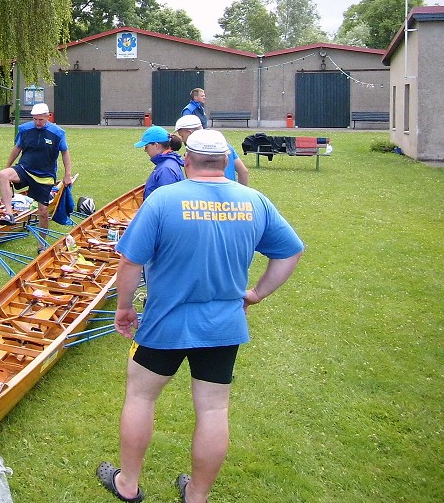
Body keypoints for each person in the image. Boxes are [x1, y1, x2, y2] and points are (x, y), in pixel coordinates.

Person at [97, 129, 304, 503]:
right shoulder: (254, 201)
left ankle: (128, 484)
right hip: (223, 325)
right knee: (213, 408)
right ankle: (196, 495)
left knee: (141, 397)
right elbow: (290, 251)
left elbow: (130, 260)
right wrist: (256, 294)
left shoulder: (163, 201)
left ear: (186, 160)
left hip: (164, 322)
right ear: (225, 161)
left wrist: (124, 306)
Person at [0, 102, 73, 230]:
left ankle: (42, 241)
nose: (37, 122)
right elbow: (17, 148)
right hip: (25, 169)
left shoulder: (58, 133)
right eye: (35, 119)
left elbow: (65, 153)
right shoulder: (24, 129)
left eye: (41, 120)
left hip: (45, 176)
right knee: (3, 174)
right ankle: (9, 214)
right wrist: (7, 166)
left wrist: (67, 175)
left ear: (48, 116)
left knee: (43, 212)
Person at [174, 115, 248, 185]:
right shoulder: (225, 146)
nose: (182, 140)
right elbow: (243, 172)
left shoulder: (195, 153)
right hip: (230, 190)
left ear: (190, 133)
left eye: (182, 136)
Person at [133, 125, 185, 198]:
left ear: (156, 145)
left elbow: (167, 200)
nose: (145, 150)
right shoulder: (167, 163)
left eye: (146, 146)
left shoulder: (166, 169)